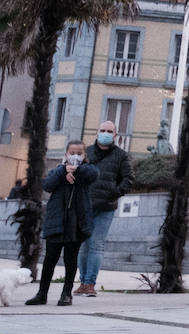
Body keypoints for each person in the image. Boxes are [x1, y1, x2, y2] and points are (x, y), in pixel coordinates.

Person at [26, 141, 97, 306]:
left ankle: (66, 294)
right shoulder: (58, 170)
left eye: (79, 153)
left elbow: (93, 174)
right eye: (72, 152)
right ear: (66, 153)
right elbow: (47, 185)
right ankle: (42, 294)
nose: (75, 156)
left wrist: (77, 169)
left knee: (70, 259)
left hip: (76, 223)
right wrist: (63, 171)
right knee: (50, 258)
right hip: (56, 222)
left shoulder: (87, 170)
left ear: (85, 155)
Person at [73, 119, 133, 296]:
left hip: (106, 207)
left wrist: (115, 192)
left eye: (109, 131)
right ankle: (83, 282)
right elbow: (76, 175)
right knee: (83, 245)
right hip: (85, 205)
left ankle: (90, 283)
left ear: (115, 135)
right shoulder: (87, 152)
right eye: (103, 130)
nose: (105, 134)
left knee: (96, 244)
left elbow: (128, 179)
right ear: (97, 132)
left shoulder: (121, 155)